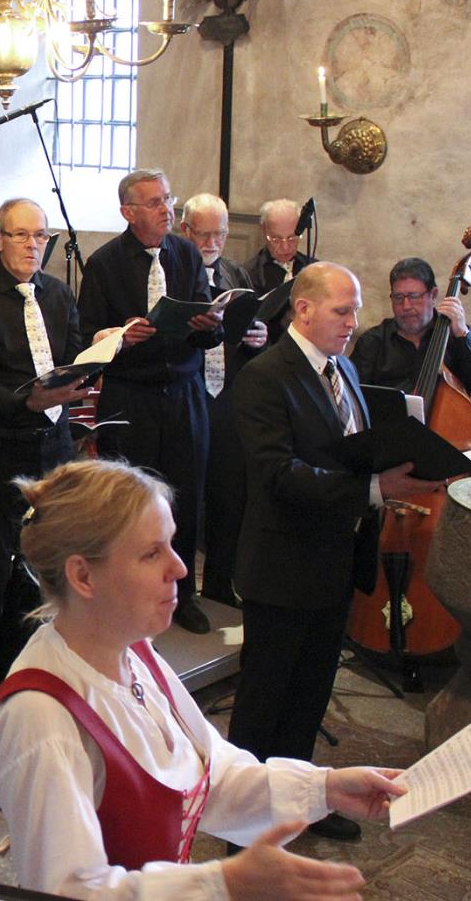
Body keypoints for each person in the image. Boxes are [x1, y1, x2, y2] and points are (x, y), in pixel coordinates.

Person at [0, 458, 406, 900]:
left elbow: (211, 778)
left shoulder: (134, 652)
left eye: (172, 544)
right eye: (152, 553)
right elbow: (68, 892)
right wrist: (221, 884)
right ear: (83, 575)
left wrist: (326, 788)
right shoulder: (43, 718)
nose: (181, 569)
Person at [228, 263, 439, 844]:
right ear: (303, 310)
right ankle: (244, 820)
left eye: (356, 310)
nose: (354, 322)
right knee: (264, 701)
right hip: (283, 563)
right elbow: (278, 476)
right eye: (342, 310)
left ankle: (304, 805)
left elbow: (348, 451)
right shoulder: (266, 375)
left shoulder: (342, 366)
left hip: (337, 558)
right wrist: (374, 490)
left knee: (310, 695)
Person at [0, 198, 91, 710]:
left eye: (40, 236)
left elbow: (71, 356)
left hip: (53, 442)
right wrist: (23, 400)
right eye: (21, 235)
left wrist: (92, 361)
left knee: (39, 562)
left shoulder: (56, 292)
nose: (33, 245)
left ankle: (22, 663)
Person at [79, 170, 223, 635]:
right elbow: (87, 341)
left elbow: (209, 320)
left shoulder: (184, 253)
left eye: (168, 199)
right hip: (130, 396)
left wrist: (209, 325)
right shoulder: (103, 263)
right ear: (129, 212)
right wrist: (122, 337)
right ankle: (128, 593)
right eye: (156, 202)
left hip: (184, 393)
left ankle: (184, 597)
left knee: (188, 492)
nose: (167, 210)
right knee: (132, 503)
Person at [179, 193, 268, 608]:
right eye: (204, 233)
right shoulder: (177, 269)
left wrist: (258, 337)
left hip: (229, 394)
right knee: (188, 494)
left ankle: (218, 580)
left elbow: (249, 327)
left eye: (220, 233)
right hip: (188, 391)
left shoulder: (236, 274)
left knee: (229, 492)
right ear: (186, 231)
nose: (213, 242)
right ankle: (183, 590)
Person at [348, 257, 471, 396]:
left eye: (414, 296)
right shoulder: (372, 342)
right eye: (398, 297)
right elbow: (354, 398)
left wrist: (463, 333)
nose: (406, 306)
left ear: (433, 295)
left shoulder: (455, 335)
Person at [245, 198, 315, 290]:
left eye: (291, 238)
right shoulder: (248, 274)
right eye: (276, 239)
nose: (285, 247)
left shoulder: (314, 269)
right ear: (264, 230)